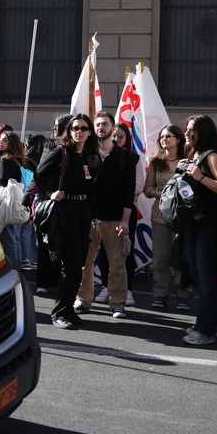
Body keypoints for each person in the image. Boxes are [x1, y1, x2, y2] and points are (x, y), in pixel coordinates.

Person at [34, 114, 100, 329]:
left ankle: (68, 310)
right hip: (65, 211)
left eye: (83, 128)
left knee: (78, 264)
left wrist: (95, 219)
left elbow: (90, 191)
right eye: (74, 128)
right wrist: (50, 193)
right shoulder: (61, 152)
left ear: (89, 132)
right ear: (69, 131)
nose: (78, 131)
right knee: (70, 264)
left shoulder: (88, 156)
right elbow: (39, 174)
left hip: (82, 211)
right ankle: (59, 313)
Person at [180, 115, 217, 345]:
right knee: (200, 274)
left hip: (211, 224)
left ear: (203, 132)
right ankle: (216, 319)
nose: (186, 133)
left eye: (191, 129)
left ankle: (206, 329)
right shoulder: (194, 155)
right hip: (194, 223)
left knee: (206, 277)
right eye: (186, 128)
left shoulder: (212, 156)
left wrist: (200, 176)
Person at [74, 112, 135, 319]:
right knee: (85, 262)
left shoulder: (126, 157)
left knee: (117, 263)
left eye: (105, 124)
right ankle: (83, 300)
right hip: (88, 218)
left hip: (115, 219)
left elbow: (129, 192)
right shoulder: (85, 154)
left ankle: (117, 303)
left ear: (112, 128)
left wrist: (125, 220)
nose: (101, 127)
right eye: (97, 124)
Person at [143, 124, 186, 309]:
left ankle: (183, 294)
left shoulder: (187, 161)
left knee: (181, 258)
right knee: (160, 258)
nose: (164, 139)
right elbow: (147, 189)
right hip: (159, 215)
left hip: (181, 218)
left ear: (178, 139)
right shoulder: (155, 163)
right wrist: (166, 195)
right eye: (162, 136)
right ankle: (160, 293)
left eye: (168, 136)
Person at [31, 114, 72, 295]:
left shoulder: (76, 149)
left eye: (57, 126)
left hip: (68, 202)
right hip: (49, 203)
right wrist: (31, 196)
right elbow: (38, 174)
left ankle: (59, 282)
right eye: (53, 126)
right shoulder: (51, 147)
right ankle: (44, 282)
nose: (54, 129)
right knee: (47, 244)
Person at [0, 131, 29, 274]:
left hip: (9, 201)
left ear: (11, 143)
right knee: (16, 236)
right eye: (0, 140)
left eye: (5, 140)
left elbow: (3, 181)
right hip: (20, 197)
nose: (0, 142)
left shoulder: (5, 160)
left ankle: (13, 269)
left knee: (9, 238)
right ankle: (18, 265)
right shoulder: (20, 159)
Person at [114, 121, 142, 300]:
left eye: (120, 135)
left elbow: (139, 185)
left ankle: (128, 289)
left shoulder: (134, 158)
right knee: (107, 250)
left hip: (127, 209)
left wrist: (121, 190)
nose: (116, 139)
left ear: (127, 138)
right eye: (113, 135)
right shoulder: (103, 155)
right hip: (107, 209)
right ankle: (107, 288)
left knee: (126, 249)